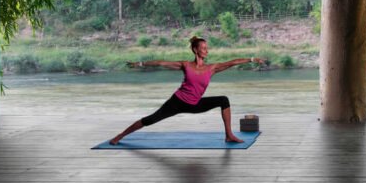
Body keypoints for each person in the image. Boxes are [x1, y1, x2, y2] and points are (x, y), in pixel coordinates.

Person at [110, 36, 264, 145]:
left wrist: (251, 59)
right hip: (177, 102)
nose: (206, 50)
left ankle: (229, 135)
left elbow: (233, 62)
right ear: (195, 50)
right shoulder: (186, 65)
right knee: (150, 120)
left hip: (194, 104)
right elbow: (161, 63)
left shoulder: (211, 68)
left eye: (207, 48)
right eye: (203, 48)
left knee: (223, 100)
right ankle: (120, 135)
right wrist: (140, 63)